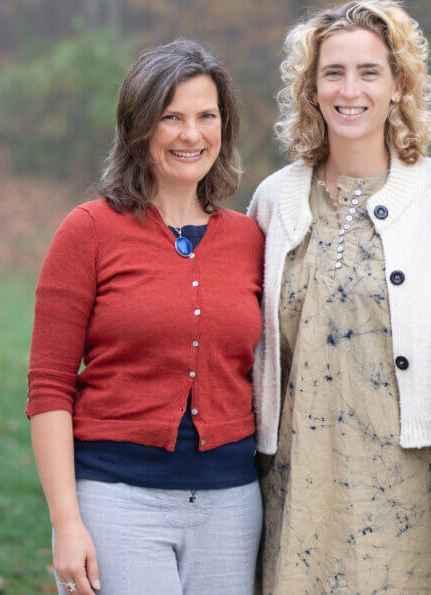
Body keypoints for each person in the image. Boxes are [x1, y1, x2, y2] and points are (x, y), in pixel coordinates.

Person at [248, 0, 431, 593]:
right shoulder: (274, 200)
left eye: (369, 72)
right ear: (311, 88)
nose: (349, 90)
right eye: (333, 72)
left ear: (399, 84)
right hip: (293, 479)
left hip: (404, 487)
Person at [26, 39, 264, 595]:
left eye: (207, 117)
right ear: (138, 127)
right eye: (171, 117)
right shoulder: (88, 231)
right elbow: (49, 386)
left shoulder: (251, 238)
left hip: (231, 506)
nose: (191, 135)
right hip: (116, 503)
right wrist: (66, 522)